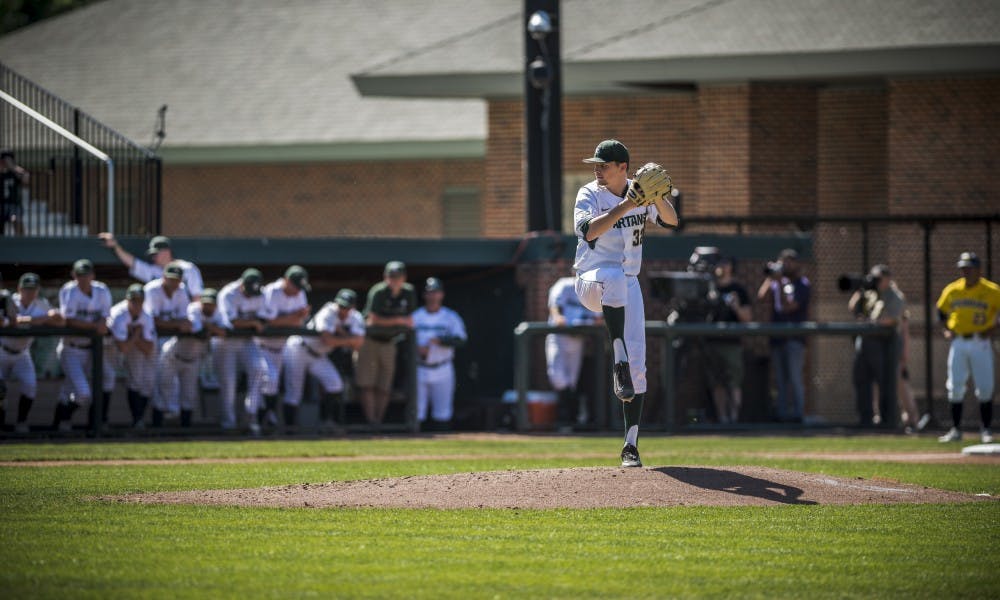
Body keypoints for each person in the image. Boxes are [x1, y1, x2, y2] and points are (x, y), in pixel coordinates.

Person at [573, 140, 679, 467]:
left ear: (623, 168)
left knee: (639, 368)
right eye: (596, 164)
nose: (597, 169)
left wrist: (656, 196)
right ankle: (616, 353)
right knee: (615, 276)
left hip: (627, 284)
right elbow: (589, 231)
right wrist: (627, 205)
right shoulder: (588, 193)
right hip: (591, 281)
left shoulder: (640, 192)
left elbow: (672, 222)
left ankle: (630, 445)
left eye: (604, 165)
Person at [935, 252, 1000, 444]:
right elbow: (941, 311)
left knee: (986, 387)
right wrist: (946, 330)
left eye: (969, 268)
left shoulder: (992, 290)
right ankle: (956, 429)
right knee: (955, 386)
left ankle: (986, 430)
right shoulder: (953, 289)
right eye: (963, 268)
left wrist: (995, 328)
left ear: (978, 269)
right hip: (959, 342)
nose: (966, 271)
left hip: (981, 341)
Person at [283, 288, 365, 434]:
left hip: (319, 355)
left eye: (347, 307)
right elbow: (326, 339)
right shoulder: (328, 311)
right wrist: (348, 340)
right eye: (341, 306)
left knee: (335, 384)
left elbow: (359, 343)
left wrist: (340, 339)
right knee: (294, 392)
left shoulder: (356, 317)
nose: (343, 310)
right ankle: (289, 430)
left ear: (353, 307)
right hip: (299, 349)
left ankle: (327, 422)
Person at [54, 259, 116, 432]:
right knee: (83, 393)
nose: (83, 278)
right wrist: (94, 326)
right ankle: (63, 419)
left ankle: (97, 420)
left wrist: (103, 323)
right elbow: (69, 320)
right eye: (80, 275)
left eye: (86, 275)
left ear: (92, 275)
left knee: (108, 376)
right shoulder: (69, 290)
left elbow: (105, 315)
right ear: (74, 275)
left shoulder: (102, 290)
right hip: (72, 348)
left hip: (93, 349)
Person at [357, 261, 416, 428]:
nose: (394, 281)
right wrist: (397, 320)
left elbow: (410, 321)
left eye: (397, 277)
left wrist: (392, 322)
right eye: (391, 277)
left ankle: (378, 422)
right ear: (385, 277)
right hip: (370, 341)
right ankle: (371, 422)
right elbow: (372, 320)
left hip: (389, 343)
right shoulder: (378, 291)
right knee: (367, 384)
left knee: (384, 386)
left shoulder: (408, 292)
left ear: (404, 278)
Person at [1, 273, 63, 432]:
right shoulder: (9, 300)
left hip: (22, 353)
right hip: (3, 350)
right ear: (19, 289)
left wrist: (50, 316)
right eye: (26, 289)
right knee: (0, 390)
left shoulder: (41, 304)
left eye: (33, 289)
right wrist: (40, 319)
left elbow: (60, 320)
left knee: (30, 386)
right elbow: (12, 322)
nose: (29, 293)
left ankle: (21, 422)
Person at [160, 288, 229, 431]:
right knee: (163, 389)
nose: (207, 306)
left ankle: (185, 430)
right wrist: (211, 328)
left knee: (189, 396)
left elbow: (225, 332)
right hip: (173, 357)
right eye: (205, 303)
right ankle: (158, 428)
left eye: (211, 304)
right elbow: (197, 331)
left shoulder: (219, 313)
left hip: (193, 360)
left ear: (216, 304)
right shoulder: (193, 308)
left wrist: (209, 327)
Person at [757, 248, 811, 423]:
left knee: (795, 378)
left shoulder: (802, 284)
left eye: (789, 262)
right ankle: (782, 415)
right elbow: (761, 297)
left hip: (794, 339)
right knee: (779, 380)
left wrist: (779, 282)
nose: (786, 265)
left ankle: (798, 415)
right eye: (783, 262)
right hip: (777, 337)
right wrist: (771, 277)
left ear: (796, 264)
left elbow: (789, 307)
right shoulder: (776, 282)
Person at [848, 264, 904, 428]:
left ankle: (888, 419)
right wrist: (860, 289)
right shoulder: (869, 294)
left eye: (878, 278)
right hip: (865, 343)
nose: (875, 281)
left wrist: (872, 323)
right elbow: (853, 308)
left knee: (885, 382)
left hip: (885, 345)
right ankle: (865, 418)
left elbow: (892, 318)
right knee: (861, 380)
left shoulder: (894, 295)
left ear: (887, 278)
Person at [545, 270, 601, 430]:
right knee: (557, 377)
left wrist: (597, 320)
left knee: (572, 381)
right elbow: (555, 306)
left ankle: (568, 419)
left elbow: (598, 317)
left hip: (578, 339)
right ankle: (565, 417)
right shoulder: (564, 284)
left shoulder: (591, 292)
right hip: (559, 337)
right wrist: (557, 318)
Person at [259, 265, 312, 430]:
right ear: (287, 281)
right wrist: (293, 317)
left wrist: (287, 319)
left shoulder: (300, 293)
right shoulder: (271, 292)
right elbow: (269, 323)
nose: (298, 291)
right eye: (295, 286)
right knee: (269, 382)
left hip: (282, 346)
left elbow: (299, 322)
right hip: (262, 346)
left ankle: (278, 423)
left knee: (286, 385)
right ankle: (260, 422)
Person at [216, 269, 268, 431]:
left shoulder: (261, 294)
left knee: (260, 369)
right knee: (228, 383)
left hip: (247, 341)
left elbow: (264, 319)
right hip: (226, 342)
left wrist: (253, 323)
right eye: (249, 290)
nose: (252, 294)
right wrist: (252, 323)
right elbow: (231, 323)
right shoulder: (228, 294)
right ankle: (228, 424)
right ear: (241, 285)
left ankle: (250, 416)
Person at [412, 277, 467, 430]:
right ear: (424, 295)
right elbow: (403, 339)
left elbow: (461, 340)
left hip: (443, 367)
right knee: (417, 411)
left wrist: (441, 340)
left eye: (435, 292)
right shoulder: (416, 316)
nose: (432, 296)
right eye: (429, 293)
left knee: (443, 411)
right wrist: (416, 348)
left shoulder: (450, 316)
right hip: (420, 366)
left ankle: (442, 444)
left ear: (441, 294)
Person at [143, 261, 193, 427]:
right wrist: (176, 324)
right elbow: (153, 321)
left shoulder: (182, 290)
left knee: (170, 381)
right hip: (151, 340)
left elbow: (185, 320)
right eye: (170, 279)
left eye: (177, 279)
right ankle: (152, 422)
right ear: (163, 277)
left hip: (171, 343)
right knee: (152, 382)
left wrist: (176, 324)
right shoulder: (151, 289)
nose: (174, 282)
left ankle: (169, 419)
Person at [705, 256, 752, 424]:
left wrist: (736, 306)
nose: (722, 268)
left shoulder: (738, 290)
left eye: (725, 264)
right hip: (712, 343)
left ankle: (734, 418)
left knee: (734, 383)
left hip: (732, 344)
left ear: (731, 267)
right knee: (716, 384)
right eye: (719, 264)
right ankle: (722, 418)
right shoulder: (710, 288)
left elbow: (747, 319)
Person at [107, 283, 156, 429]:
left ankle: (138, 419)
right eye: (133, 300)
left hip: (131, 347)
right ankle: (100, 422)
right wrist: (136, 334)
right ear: (127, 300)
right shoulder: (118, 314)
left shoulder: (146, 315)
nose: (136, 304)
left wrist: (133, 336)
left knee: (144, 381)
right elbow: (123, 348)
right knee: (107, 380)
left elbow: (148, 349)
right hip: (106, 348)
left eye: (139, 300)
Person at [98, 233, 204, 298]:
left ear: (166, 252)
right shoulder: (153, 270)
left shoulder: (188, 268)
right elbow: (132, 263)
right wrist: (115, 246)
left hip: (183, 313)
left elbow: (197, 297)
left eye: (155, 254)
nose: (153, 258)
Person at [1, 149, 29, 236]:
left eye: (8, 160)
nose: (6, 162)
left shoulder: (15, 172)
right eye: (4, 160)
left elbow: (25, 179)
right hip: (1, 204)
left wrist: (12, 167)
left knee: (16, 220)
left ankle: (21, 242)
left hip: (14, 204)